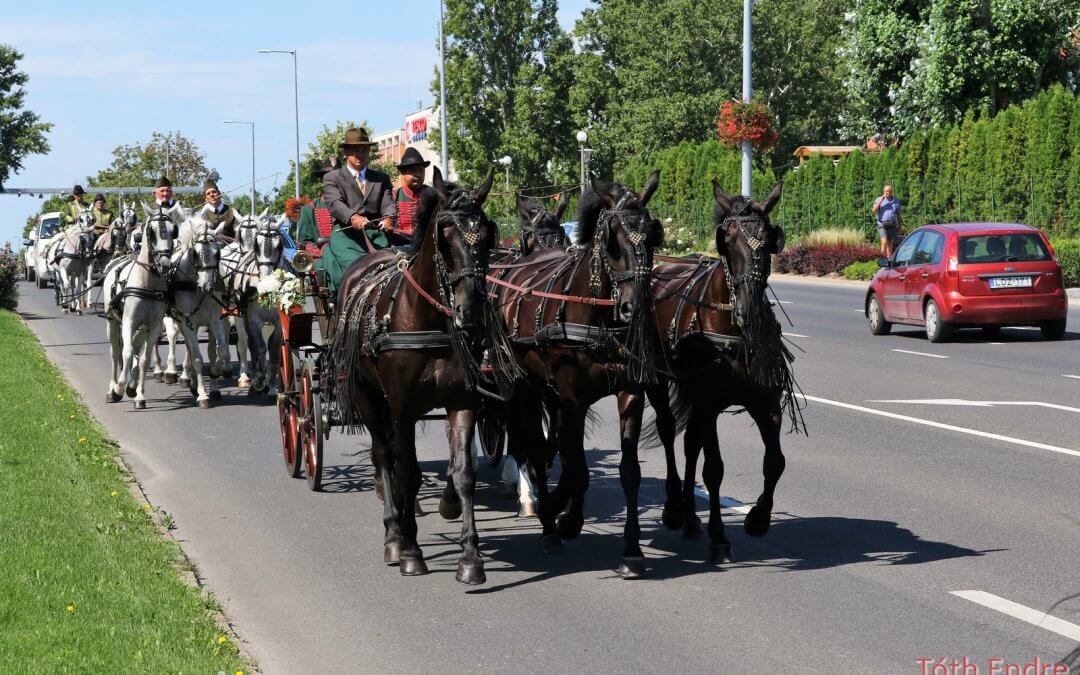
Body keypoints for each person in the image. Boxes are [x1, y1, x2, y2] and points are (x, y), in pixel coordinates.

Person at [320, 127, 396, 293]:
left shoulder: (381, 178)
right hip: (346, 238)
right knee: (359, 271)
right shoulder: (332, 178)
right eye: (355, 150)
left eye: (364, 150)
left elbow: (388, 203)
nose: (359, 154)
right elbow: (335, 204)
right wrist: (353, 217)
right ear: (346, 152)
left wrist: (389, 218)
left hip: (378, 237)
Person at [295, 157, 337, 257]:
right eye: (328, 179)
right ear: (321, 182)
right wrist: (326, 253)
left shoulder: (352, 206)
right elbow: (305, 242)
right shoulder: (309, 209)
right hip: (321, 260)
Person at [390, 147, 430, 246]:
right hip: (400, 245)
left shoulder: (432, 195)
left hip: (426, 246)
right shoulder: (394, 196)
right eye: (413, 170)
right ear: (403, 173)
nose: (418, 174)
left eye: (421, 170)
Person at [872, 184, 902, 258]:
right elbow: (874, 210)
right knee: (884, 241)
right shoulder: (879, 199)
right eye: (885, 191)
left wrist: (900, 226)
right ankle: (882, 258)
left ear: (891, 192)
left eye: (888, 191)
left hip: (892, 225)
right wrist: (881, 200)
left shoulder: (896, 201)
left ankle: (889, 259)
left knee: (890, 243)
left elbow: (898, 215)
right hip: (882, 224)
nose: (886, 193)